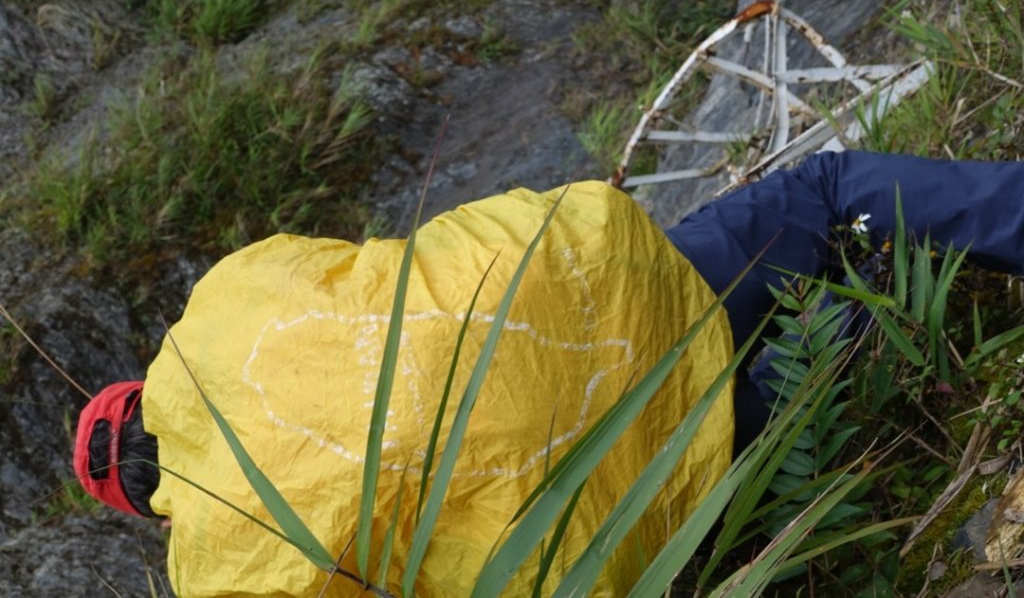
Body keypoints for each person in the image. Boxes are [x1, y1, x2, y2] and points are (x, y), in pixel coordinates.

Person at [74, 151, 1024, 596]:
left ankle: (852, 328)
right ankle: (927, 253)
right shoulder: (221, 305)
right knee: (818, 193)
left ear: (143, 506)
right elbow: (377, 263)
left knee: (765, 402)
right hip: (608, 295)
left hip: (625, 513)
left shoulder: (221, 570)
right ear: (139, 390)